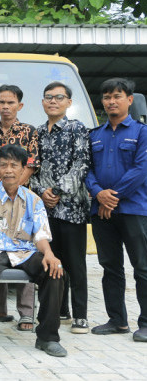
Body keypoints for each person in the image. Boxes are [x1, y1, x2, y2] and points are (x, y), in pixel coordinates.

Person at [0, 145, 66, 357]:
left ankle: (48, 338)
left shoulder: (34, 200)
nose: (9, 170)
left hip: (26, 251)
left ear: (23, 169)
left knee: (54, 269)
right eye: (4, 165)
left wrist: (49, 254)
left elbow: (40, 235)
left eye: (14, 165)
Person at [85, 78, 147, 342]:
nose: (112, 101)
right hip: (102, 211)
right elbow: (86, 170)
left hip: (134, 209)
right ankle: (117, 320)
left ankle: (144, 323)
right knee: (110, 266)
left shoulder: (142, 132)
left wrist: (112, 197)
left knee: (142, 267)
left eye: (117, 96)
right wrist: (98, 194)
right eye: (107, 96)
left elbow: (141, 169)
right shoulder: (94, 135)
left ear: (129, 100)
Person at [30, 81, 91, 334]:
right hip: (46, 210)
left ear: (68, 102)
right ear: (43, 102)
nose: (53, 101)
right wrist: (40, 191)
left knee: (75, 263)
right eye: (48, 97)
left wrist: (56, 191)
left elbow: (82, 163)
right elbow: (31, 166)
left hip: (72, 209)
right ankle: (59, 310)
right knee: (51, 261)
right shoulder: (38, 133)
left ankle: (80, 315)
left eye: (59, 97)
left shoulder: (77, 129)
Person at [0, 84, 39, 331]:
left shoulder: (29, 132)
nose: (6, 106)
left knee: (24, 247)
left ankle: (26, 313)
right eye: (1, 102)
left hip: (21, 201)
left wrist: (12, 188)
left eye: (11, 102)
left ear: (20, 105)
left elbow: (32, 164)